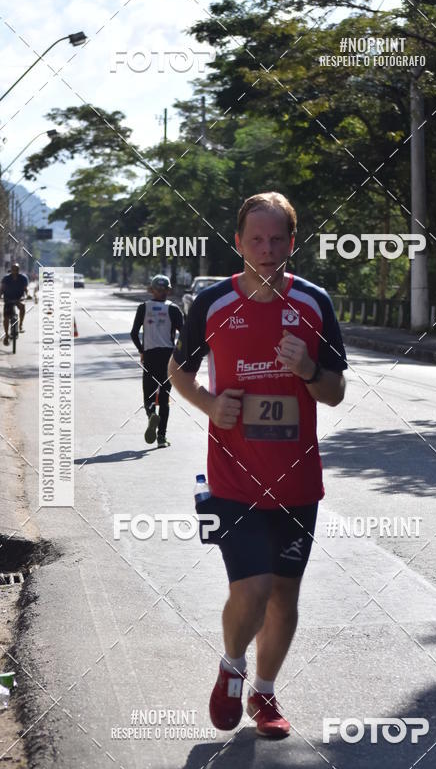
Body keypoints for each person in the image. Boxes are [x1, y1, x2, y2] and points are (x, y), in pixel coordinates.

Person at [169, 192, 347, 738]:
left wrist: (309, 366)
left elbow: (334, 392)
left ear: (292, 243)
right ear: (240, 243)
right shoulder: (215, 303)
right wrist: (208, 404)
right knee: (253, 586)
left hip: (297, 481)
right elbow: (178, 369)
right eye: (256, 240)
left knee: (284, 596)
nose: (267, 251)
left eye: (277, 240)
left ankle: (264, 694)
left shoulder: (314, 304)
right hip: (232, 477)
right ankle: (231, 667)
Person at [130, 274, 183, 448]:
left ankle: (151, 412)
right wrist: (179, 353)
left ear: (151, 290)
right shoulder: (174, 309)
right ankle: (161, 438)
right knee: (165, 398)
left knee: (149, 396)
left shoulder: (143, 307)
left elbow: (134, 333)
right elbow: (184, 335)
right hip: (168, 358)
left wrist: (141, 350)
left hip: (150, 356)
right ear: (169, 290)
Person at [0, 262, 28, 346]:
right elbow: (2, 288)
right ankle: (6, 335)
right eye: (13, 269)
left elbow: (25, 289)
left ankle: (20, 325)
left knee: (22, 306)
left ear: (19, 270)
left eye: (17, 269)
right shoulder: (6, 278)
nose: (15, 271)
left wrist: (27, 294)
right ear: (11, 270)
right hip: (8, 299)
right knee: (6, 317)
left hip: (19, 298)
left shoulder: (23, 278)